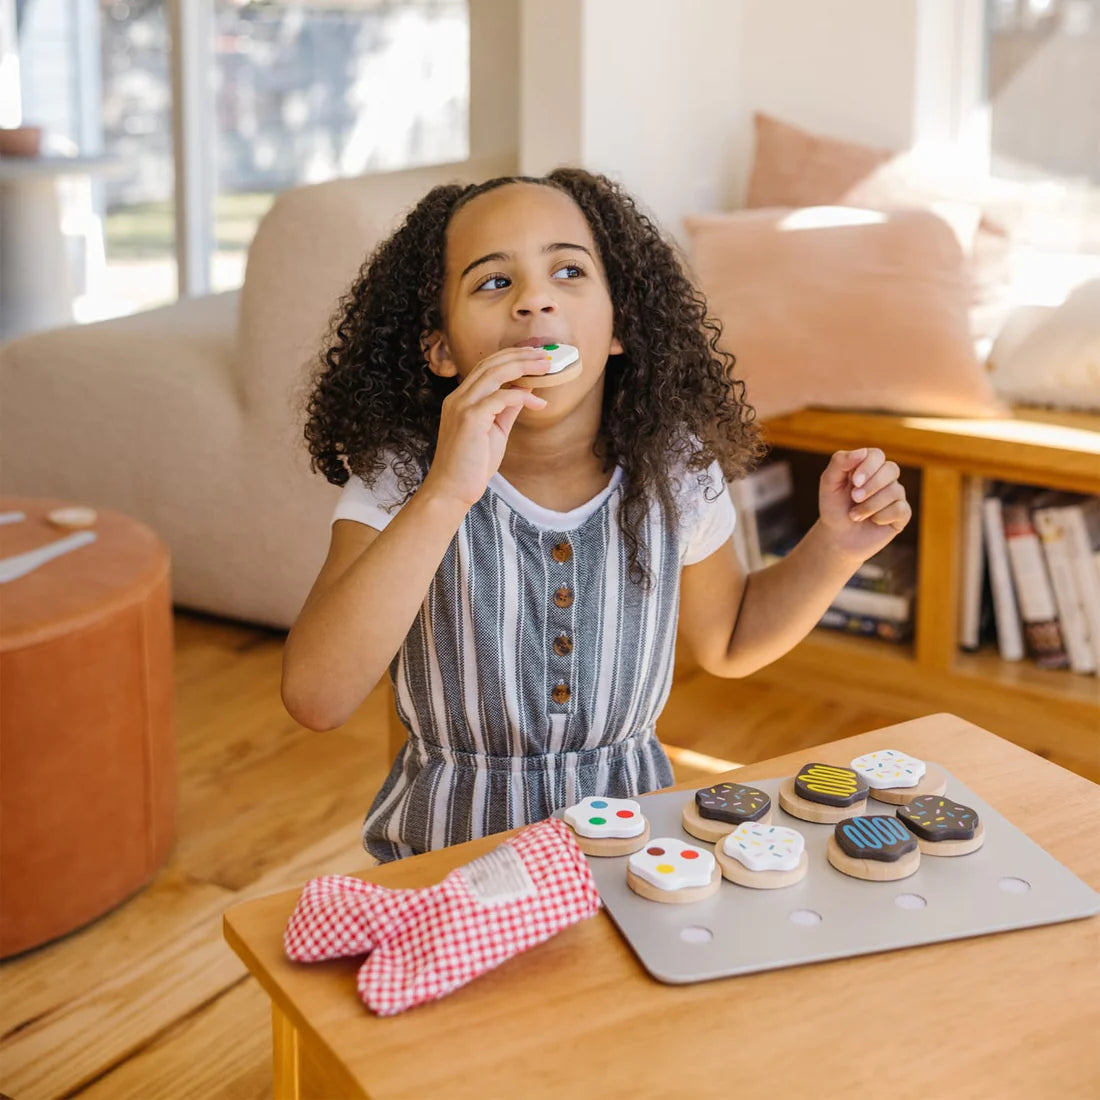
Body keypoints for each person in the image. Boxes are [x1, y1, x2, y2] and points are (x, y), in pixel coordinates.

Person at [281, 168, 912, 862]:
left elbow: (729, 640)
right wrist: (445, 492)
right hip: (448, 861)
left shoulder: (674, 467)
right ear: (440, 348)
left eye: (569, 272)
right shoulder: (404, 475)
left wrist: (838, 547)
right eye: (494, 282)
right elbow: (317, 696)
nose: (534, 302)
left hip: (629, 856)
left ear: (618, 328)